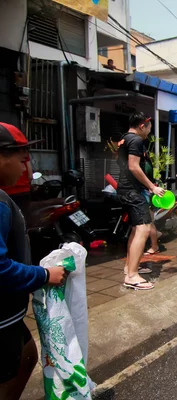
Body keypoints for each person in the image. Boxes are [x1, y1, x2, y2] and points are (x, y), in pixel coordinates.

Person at [0, 122, 67, 400]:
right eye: (21, 158)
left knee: (27, 354)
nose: (26, 167)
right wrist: (43, 275)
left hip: (8, 316)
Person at [117, 112, 165, 290]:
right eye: (149, 128)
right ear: (142, 125)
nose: (149, 132)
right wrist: (152, 187)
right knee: (144, 229)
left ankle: (129, 268)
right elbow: (133, 166)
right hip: (132, 191)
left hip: (126, 190)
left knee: (136, 230)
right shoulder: (136, 140)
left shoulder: (124, 138)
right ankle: (131, 276)